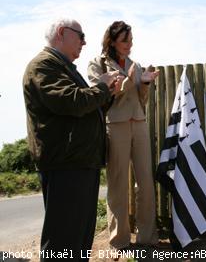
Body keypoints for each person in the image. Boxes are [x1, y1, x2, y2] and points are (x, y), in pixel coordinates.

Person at [22, 18, 123, 261]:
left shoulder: (62, 66)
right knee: (63, 240)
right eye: (80, 35)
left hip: (78, 161)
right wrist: (102, 87)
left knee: (78, 238)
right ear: (61, 33)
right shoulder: (43, 66)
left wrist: (107, 93)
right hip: (65, 163)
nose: (84, 42)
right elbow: (72, 102)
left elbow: (86, 108)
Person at [87, 21, 160, 251]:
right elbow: (102, 96)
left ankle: (147, 237)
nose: (130, 44)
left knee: (146, 183)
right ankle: (119, 241)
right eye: (125, 40)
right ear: (112, 41)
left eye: (131, 39)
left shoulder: (135, 64)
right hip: (115, 125)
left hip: (138, 123)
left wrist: (145, 83)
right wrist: (128, 81)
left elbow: (142, 100)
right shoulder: (97, 64)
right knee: (118, 184)